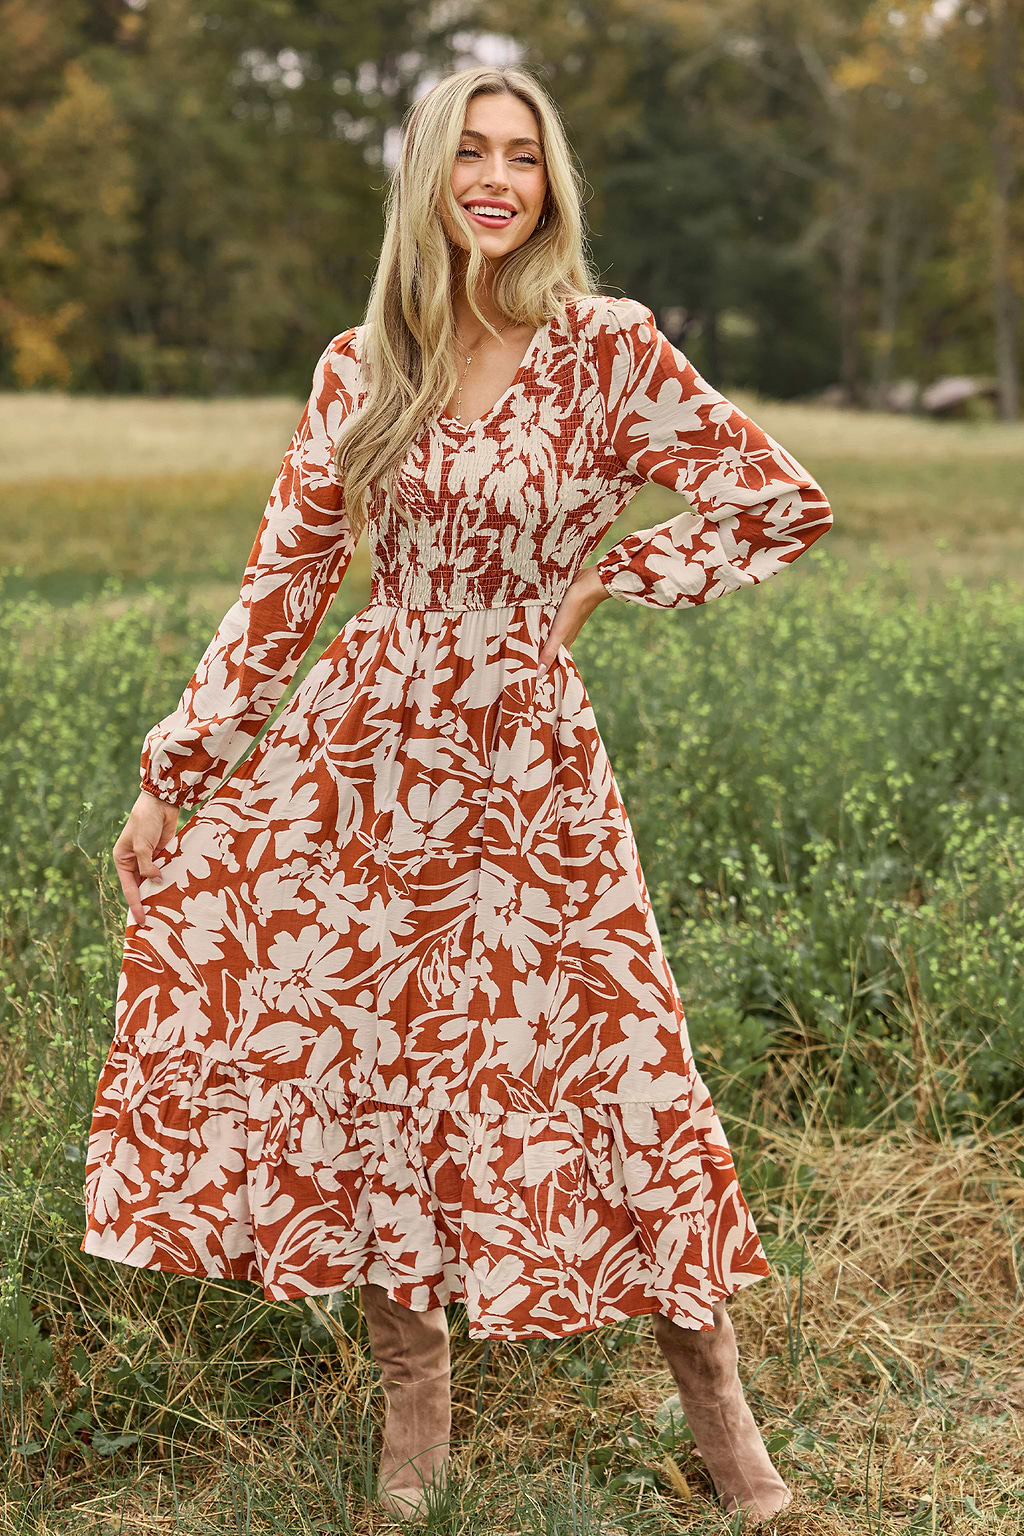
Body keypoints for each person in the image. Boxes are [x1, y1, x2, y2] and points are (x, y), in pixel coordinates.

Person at [85, 63, 832, 1529]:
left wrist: (615, 572)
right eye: (473, 153)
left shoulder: (607, 348)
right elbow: (287, 584)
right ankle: (412, 1428)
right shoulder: (361, 364)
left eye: (526, 157)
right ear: (425, 174)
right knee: (375, 1076)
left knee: (619, 1061)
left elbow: (776, 500)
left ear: (551, 183)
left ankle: (732, 1443)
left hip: (532, 772)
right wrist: (179, 768)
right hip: (365, 767)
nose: (500, 178)